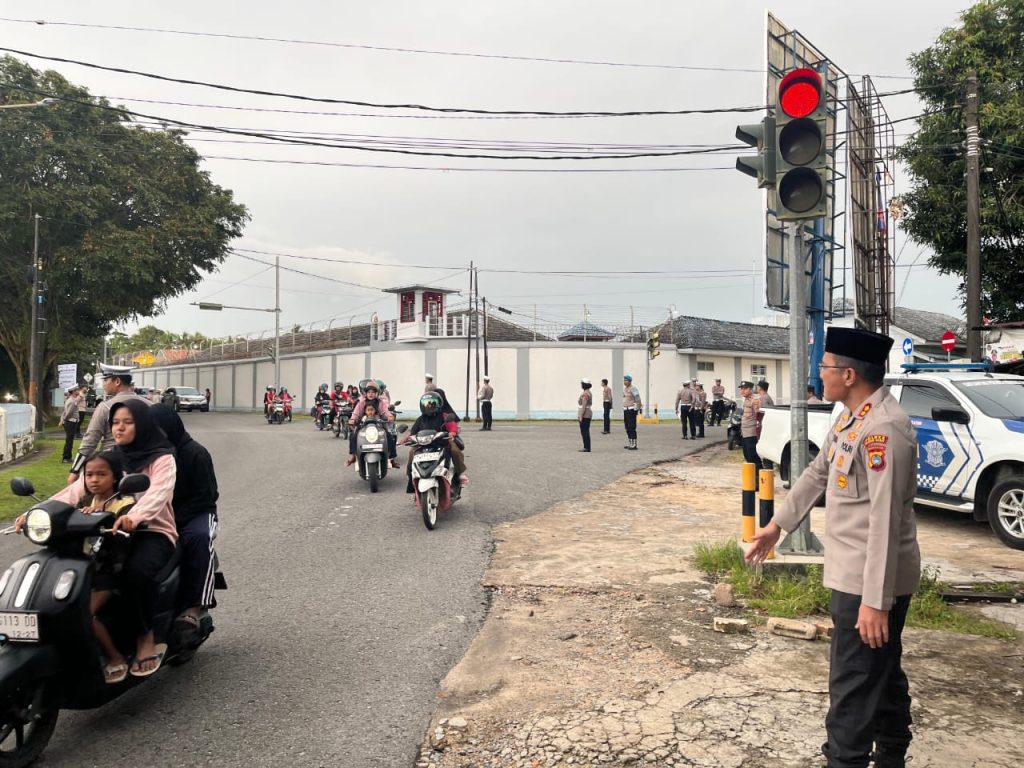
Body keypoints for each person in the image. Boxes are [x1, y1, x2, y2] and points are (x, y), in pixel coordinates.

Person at [746, 327, 920, 768]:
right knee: (880, 671)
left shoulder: (884, 430)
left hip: (868, 581)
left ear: (848, 374)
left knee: (852, 683)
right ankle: (892, 754)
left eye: (823, 367)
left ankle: (846, 760)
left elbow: (884, 520)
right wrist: (776, 527)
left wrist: (875, 603)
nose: (817, 375)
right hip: (852, 575)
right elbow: (818, 474)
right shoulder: (850, 417)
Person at [69, 400, 177, 677]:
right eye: (115, 422)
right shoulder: (113, 457)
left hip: (152, 531)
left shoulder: (162, 459)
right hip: (109, 532)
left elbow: (158, 494)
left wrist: (136, 516)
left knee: (134, 572)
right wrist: (38, 511)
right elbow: (77, 489)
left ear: (142, 424)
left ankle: (145, 638)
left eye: (127, 422)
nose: (119, 427)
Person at [18, 450, 137, 683]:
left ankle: (115, 658)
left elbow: (123, 532)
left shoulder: (125, 503)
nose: (94, 479)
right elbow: (61, 512)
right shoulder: (83, 501)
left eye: (101, 474)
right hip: (81, 568)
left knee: (84, 612)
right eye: (89, 474)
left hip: (108, 571)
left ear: (115, 477)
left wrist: (104, 517)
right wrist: (31, 515)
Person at [151, 405, 219, 636]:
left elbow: (207, 495)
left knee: (199, 539)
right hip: (160, 514)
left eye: (157, 428)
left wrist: (176, 518)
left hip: (197, 513)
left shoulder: (195, 454)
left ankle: (195, 606)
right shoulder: (151, 455)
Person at [68, 364, 151, 485]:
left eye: (106, 380)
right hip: (144, 467)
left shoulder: (106, 406)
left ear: (117, 381)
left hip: (110, 466)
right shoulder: (150, 405)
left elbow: (90, 440)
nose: (104, 384)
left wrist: (75, 471)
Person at [401, 391, 467, 489]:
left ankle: (460, 474)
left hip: (442, 443)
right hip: (424, 445)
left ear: (438, 404)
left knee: (454, 450)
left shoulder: (444, 416)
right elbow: (413, 432)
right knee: (411, 451)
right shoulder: (420, 419)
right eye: (426, 403)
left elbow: (452, 426)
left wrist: (452, 432)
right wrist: (404, 439)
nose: (429, 406)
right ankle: (411, 475)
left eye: (432, 403)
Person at [346, 381, 398, 468]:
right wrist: (352, 419)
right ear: (365, 393)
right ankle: (354, 457)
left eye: (373, 392)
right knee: (353, 435)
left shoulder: (381, 403)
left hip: (378, 424)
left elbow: (386, 412)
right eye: (369, 392)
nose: (371, 394)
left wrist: (389, 416)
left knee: (389, 436)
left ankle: (391, 458)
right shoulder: (361, 403)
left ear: (376, 393)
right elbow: (355, 413)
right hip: (363, 424)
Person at [738, 380, 762, 469]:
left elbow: (758, 417)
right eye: (741, 389)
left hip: (751, 432)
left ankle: (759, 477)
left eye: (745, 389)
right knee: (747, 455)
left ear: (750, 389)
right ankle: (752, 478)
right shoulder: (746, 400)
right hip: (745, 431)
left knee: (753, 456)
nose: (742, 391)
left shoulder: (754, 400)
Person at [59, 384, 82, 463]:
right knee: (69, 440)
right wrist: (64, 420)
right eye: (77, 390)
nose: (78, 391)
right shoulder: (72, 401)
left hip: (71, 422)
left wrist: (63, 420)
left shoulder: (72, 399)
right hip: (70, 422)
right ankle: (66, 458)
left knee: (70, 440)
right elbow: (68, 413)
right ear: (73, 392)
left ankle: (68, 457)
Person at [622, 374, 642, 450]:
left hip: (631, 410)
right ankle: (630, 442)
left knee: (631, 427)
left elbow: (638, 399)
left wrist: (637, 408)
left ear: (630, 381)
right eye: (624, 380)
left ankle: (634, 444)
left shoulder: (633, 389)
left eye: (626, 380)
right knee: (627, 427)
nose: (624, 382)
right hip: (625, 409)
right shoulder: (624, 389)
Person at [578, 379, 593, 452]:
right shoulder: (588, 392)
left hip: (585, 414)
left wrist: (581, 416)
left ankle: (586, 447)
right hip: (587, 413)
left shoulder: (585, 394)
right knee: (585, 430)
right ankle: (586, 447)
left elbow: (584, 405)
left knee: (584, 431)